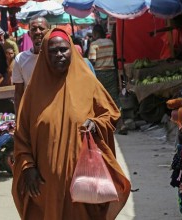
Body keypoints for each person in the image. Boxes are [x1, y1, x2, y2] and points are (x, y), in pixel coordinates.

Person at [12, 28, 131, 220]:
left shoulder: (88, 82)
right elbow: (22, 132)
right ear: (44, 55)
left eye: (63, 49)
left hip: (84, 180)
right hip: (45, 184)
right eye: (52, 51)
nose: (58, 55)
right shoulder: (33, 92)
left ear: (72, 51)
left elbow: (111, 113)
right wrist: (27, 166)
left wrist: (95, 123)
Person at [88, 24, 128, 135]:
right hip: (111, 72)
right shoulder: (110, 43)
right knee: (114, 99)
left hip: (99, 74)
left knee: (99, 100)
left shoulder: (94, 44)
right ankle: (121, 124)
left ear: (96, 33)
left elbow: (92, 61)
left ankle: (102, 124)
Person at [12, 15, 50, 114]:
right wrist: (19, 120)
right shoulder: (20, 59)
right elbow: (18, 93)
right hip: (31, 113)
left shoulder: (56, 56)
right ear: (29, 34)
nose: (38, 32)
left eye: (41, 28)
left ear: (49, 32)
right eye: (34, 29)